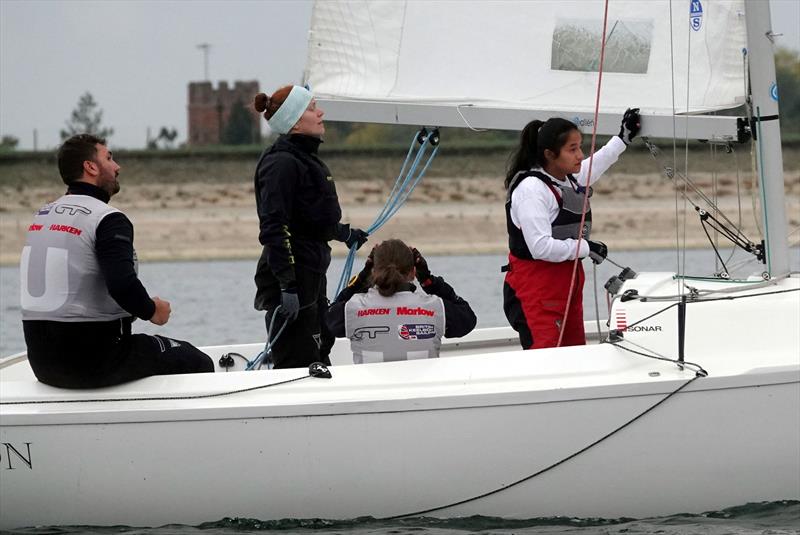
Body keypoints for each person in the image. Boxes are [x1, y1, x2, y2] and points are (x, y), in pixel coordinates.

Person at [20, 134, 214, 388]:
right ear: (90, 167)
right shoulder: (107, 219)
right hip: (95, 362)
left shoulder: (42, 215)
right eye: (109, 158)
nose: (117, 166)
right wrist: (152, 310)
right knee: (197, 361)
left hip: (43, 365)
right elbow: (122, 284)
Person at [503, 109, 641, 349]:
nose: (579, 155)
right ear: (549, 154)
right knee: (547, 363)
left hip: (567, 290)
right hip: (534, 293)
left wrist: (623, 139)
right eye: (572, 149)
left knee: (575, 355)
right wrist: (586, 247)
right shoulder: (532, 190)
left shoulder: (567, 178)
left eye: (580, 147)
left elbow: (595, 165)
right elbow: (540, 247)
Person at [252, 85, 368, 369]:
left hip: (311, 275)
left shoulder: (303, 158)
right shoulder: (281, 163)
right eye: (312, 108)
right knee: (298, 359)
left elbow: (313, 219)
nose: (320, 113)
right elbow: (274, 227)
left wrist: (345, 235)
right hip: (293, 280)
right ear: (294, 121)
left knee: (320, 345)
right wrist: (288, 286)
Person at [326, 239, 477, 363]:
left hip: (372, 396)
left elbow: (328, 319)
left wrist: (362, 279)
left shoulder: (354, 308)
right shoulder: (435, 307)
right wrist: (428, 280)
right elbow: (468, 320)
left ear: (374, 271)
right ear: (413, 273)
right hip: (421, 396)